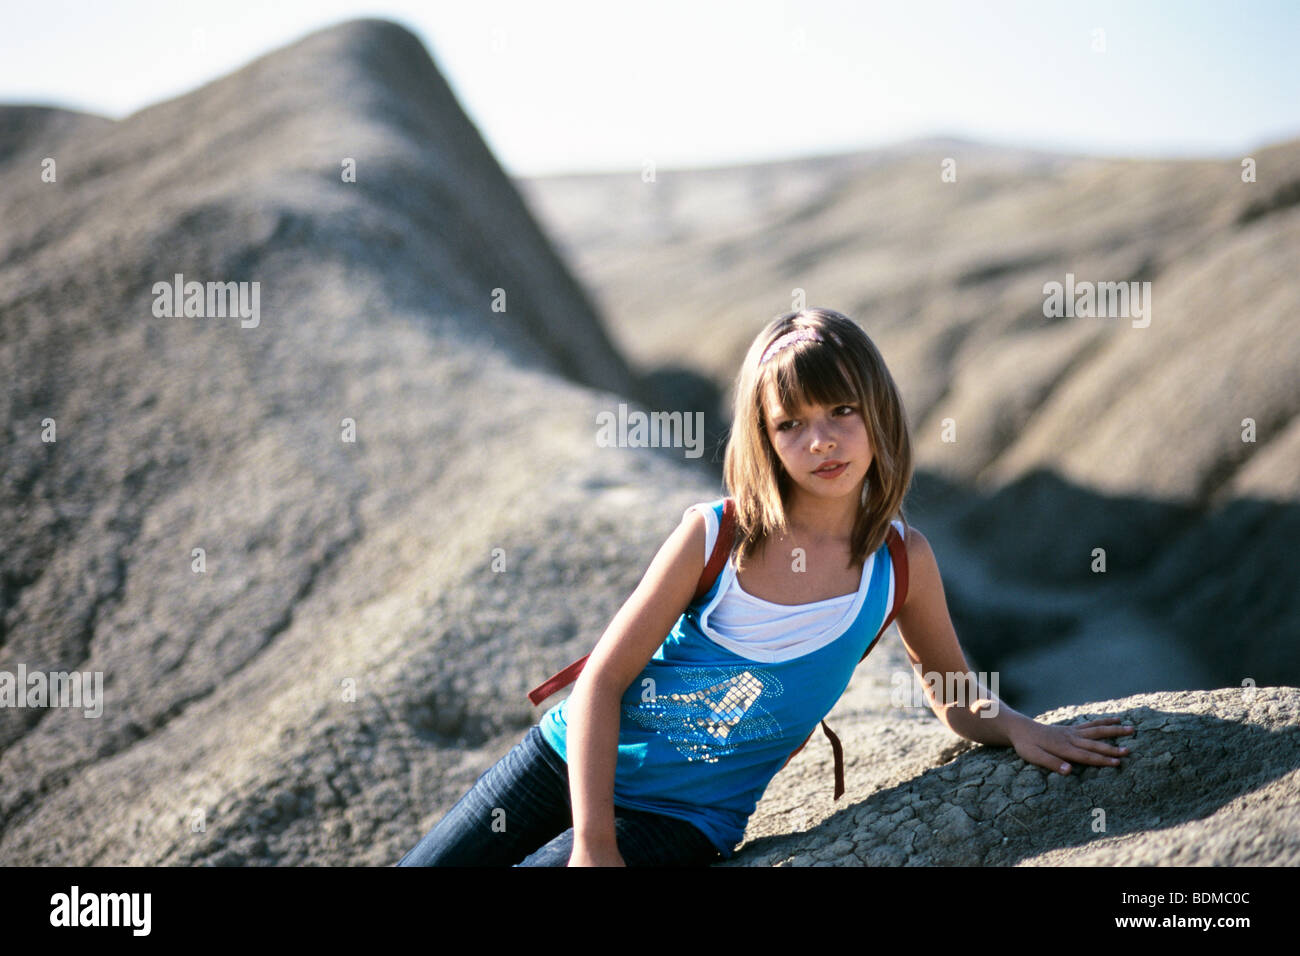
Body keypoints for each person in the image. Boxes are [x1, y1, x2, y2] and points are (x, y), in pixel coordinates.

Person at [396, 308, 1135, 867]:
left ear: (878, 414)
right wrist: (592, 843)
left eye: (842, 411)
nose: (822, 441)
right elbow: (601, 682)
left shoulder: (902, 563)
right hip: (564, 764)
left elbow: (953, 692)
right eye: (792, 424)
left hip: (683, 822)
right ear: (765, 440)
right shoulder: (714, 536)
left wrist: (1018, 726)